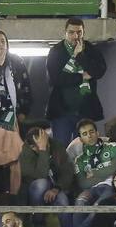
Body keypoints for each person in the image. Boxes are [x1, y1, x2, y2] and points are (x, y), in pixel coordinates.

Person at [45, 18, 106, 146]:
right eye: (71, 32)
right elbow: (55, 79)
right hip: (62, 112)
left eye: (79, 32)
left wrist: (79, 56)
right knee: (61, 151)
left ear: (83, 32)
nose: (75, 36)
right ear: (65, 32)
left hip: (85, 110)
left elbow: (100, 71)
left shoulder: (90, 49)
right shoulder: (56, 51)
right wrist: (81, 76)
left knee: (86, 149)